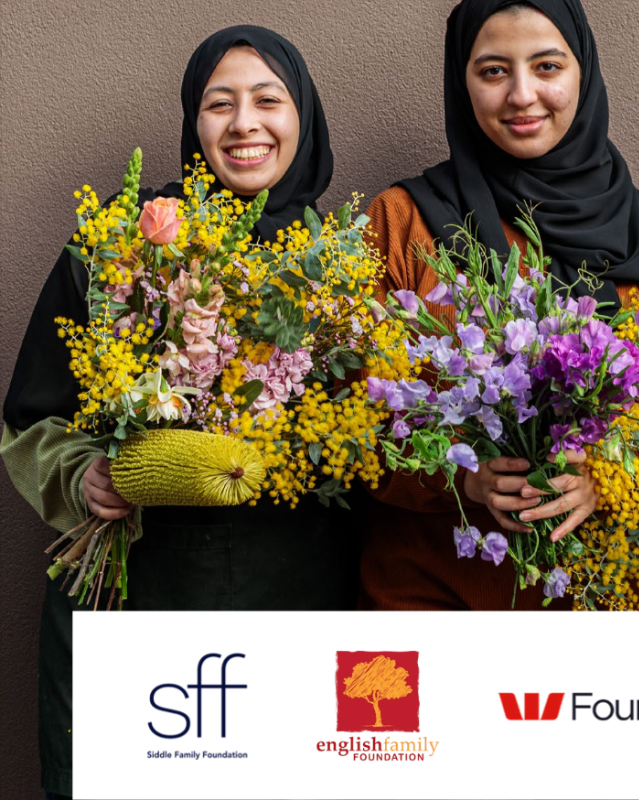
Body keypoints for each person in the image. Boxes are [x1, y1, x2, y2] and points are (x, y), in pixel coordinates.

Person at [1, 26, 356, 799]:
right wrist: (81, 477)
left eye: (270, 100)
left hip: (297, 596)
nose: (244, 124)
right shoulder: (120, 248)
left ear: (307, 118)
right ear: (192, 124)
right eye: (217, 104)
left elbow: (376, 437)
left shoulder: (345, 266)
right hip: (136, 594)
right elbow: (31, 420)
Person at [359, 0, 639, 610]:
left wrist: (608, 475)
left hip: (617, 608)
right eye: (494, 71)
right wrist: (461, 476)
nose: (523, 95)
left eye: (547, 66)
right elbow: (353, 419)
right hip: (439, 602)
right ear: (460, 81)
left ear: (584, 72)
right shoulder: (403, 222)